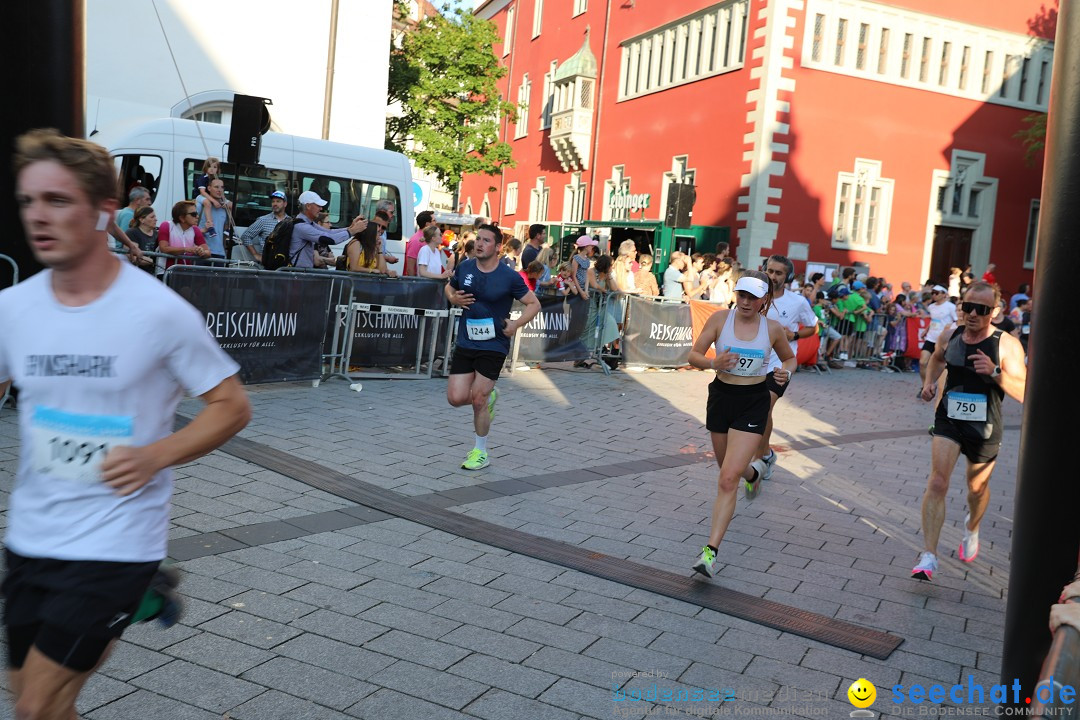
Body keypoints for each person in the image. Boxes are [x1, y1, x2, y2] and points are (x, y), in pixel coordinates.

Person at [1, 128, 251, 720]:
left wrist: (153, 456)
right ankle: (146, 598)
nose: (39, 216)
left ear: (102, 212)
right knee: (37, 703)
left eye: (58, 201)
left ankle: (137, 586)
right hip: (32, 535)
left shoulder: (159, 312)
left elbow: (231, 406)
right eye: (29, 201)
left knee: (34, 706)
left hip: (116, 539)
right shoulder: (13, 308)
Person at [912, 282, 1027, 581]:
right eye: (968, 306)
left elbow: (1027, 392)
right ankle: (928, 555)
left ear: (995, 312)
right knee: (938, 481)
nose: (973, 314)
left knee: (976, 489)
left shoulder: (1006, 345)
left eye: (982, 309)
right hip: (949, 417)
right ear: (960, 304)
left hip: (985, 425)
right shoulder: (950, 333)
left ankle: (972, 527)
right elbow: (937, 358)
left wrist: (995, 372)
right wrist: (929, 382)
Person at [687, 271, 796, 578]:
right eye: (742, 295)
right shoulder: (720, 319)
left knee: (726, 480)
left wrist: (785, 372)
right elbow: (693, 354)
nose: (746, 302)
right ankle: (755, 472)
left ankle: (710, 553)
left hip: (753, 400)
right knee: (729, 470)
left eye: (753, 297)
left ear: (765, 300)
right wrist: (712, 363)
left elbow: (789, 359)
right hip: (721, 397)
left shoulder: (772, 329)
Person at [445, 224, 541, 470]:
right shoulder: (465, 266)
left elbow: (534, 304)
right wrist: (453, 298)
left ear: (498, 247)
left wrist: (516, 324)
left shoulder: (508, 276)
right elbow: (450, 287)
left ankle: (480, 451)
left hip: (494, 344)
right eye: (478, 239)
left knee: (478, 399)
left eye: (486, 241)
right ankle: (489, 397)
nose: (479, 244)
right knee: (455, 398)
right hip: (466, 340)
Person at [758, 255, 818, 478]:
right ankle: (766, 453)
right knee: (760, 410)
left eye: (778, 273)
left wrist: (794, 334)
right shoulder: (755, 295)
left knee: (764, 406)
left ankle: (760, 458)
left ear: (788, 276)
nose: (773, 276)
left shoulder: (797, 302)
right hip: (755, 363)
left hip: (780, 364)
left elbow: (812, 327)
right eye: (770, 271)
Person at [289, 190, 366, 269]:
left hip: (301, 273)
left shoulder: (306, 223)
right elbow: (330, 239)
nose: (321, 208)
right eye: (318, 205)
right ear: (308, 206)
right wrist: (353, 231)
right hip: (297, 275)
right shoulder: (302, 226)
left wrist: (350, 228)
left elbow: (329, 232)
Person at [918, 285, 958, 384]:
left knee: (941, 365)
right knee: (922, 362)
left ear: (944, 294)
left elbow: (957, 321)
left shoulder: (951, 307)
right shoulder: (931, 307)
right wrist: (926, 330)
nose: (934, 295)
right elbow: (933, 321)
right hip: (931, 338)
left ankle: (940, 385)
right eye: (932, 293)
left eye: (936, 293)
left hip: (943, 340)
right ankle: (925, 386)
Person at [239, 189, 288, 264]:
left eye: (278, 201)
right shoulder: (263, 220)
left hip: (285, 264)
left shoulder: (290, 221)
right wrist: (255, 255)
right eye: (273, 201)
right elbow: (246, 236)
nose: (275, 204)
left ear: (285, 204)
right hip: (267, 264)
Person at [157, 200, 211, 268]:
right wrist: (186, 249)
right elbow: (163, 248)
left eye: (197, 213)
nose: (197, 216)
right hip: (165, 271)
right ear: (182, 218)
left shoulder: (195, 229)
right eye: (193, 214)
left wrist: (202, 252)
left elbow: (208, 252)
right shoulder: (166, 225)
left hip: (185, 272)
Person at [344, 211, 396, 276]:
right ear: (371, 233)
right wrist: (371, 271)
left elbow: (382, 270)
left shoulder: (374, 246)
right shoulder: (356, 243)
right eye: (378, 232)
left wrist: (379, 250)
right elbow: (353, 267)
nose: (380, 234)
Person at [194, 177, 231, 261]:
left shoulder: (225, 207)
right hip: (202, 252)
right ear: (209, 188)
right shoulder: (201, 203)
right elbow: (189, 231)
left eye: (222, 187)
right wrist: (204, 230)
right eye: (216, 187)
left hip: (220, 254)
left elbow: (224, 232)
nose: (220, 190)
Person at [125, 206, 161, 274]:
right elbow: (132, 256)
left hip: (153, 274)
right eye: (152, 217)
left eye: (155, 217)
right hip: (137, 273)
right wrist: (153, 261)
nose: (156, 219)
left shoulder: (157, 233)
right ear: (142, 220)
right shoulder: (132, 232)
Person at [405, 210, 436, 277]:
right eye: (434, 220)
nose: (436, 222)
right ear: (427, 224)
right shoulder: (415, 241)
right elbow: (410, 268)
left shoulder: (429, 239)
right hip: (420, 283)